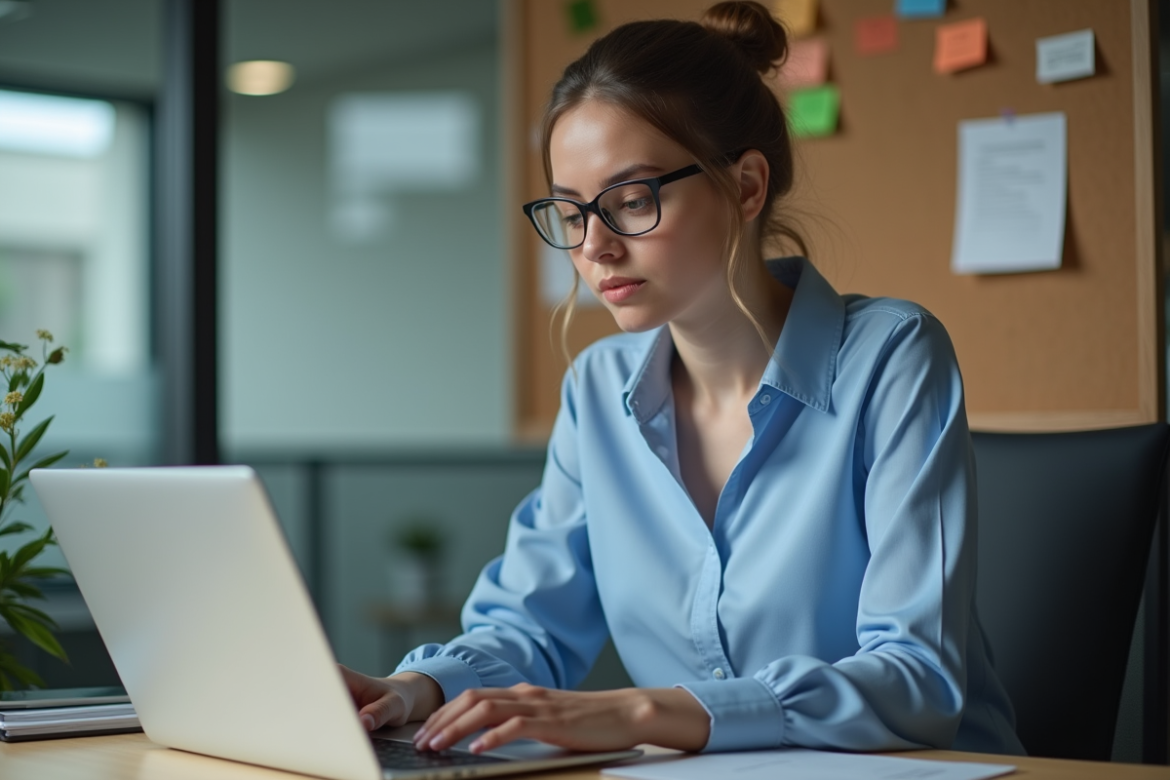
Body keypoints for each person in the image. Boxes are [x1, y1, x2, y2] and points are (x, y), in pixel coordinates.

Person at [341, 1, 1024, 757]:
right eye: (572, 213)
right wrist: (415, 689)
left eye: (632, 201)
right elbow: (530, 626)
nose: (595, 247)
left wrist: (648, 713)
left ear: (747, 187)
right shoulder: (598, 389)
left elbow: (917, 680)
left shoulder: (892, 356)